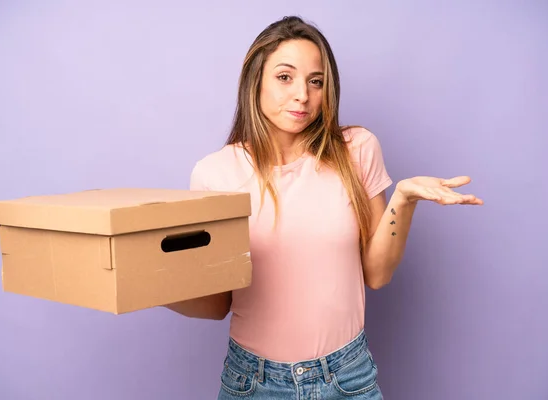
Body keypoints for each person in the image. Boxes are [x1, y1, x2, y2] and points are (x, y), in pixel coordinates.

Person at [166, 15, 483, 399]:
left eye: (315, 81)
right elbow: (217, 304)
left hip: (346, 376)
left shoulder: (357, 149)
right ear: (256, 80)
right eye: (285, 77)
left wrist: (404, 199)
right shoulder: (215, 173)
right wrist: (145, 286)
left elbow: (378, 274)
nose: (303, 94)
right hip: (254, 382)